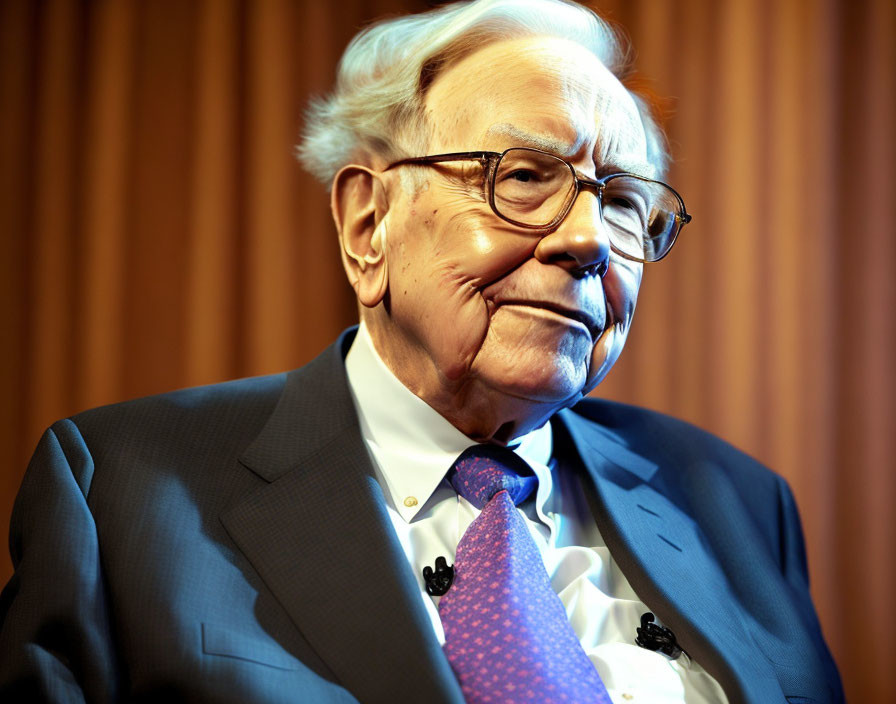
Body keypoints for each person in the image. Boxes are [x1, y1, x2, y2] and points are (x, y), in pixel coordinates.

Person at [0, 0, 843, 702]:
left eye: (623, 202)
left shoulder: (738, 504)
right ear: (368, 224)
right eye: (522, 176)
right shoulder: (120, 495)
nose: (588, 238)